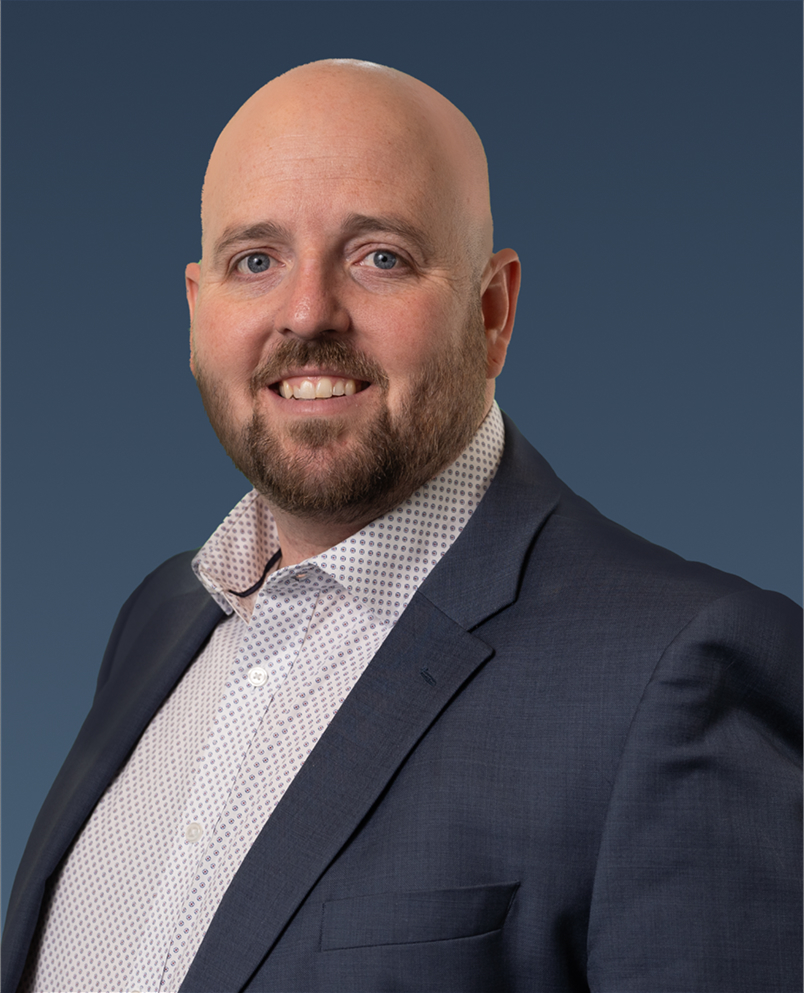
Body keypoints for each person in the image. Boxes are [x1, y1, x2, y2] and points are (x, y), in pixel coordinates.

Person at [3, 59, 800, 993]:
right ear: (196, 310)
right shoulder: (161, 619)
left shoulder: (679, 669)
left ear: (493, 312)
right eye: (255, 260)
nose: (306, 313)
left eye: (379, 256)